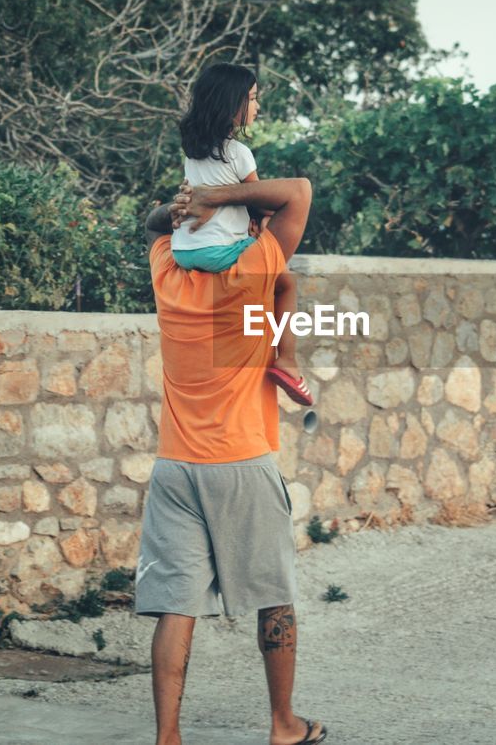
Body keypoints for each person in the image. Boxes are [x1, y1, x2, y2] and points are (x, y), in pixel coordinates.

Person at [138, 175, 326, 745]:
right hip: (243, 461)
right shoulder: (258, 267)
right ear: (246, 229)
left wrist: (188, 206)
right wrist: (229, 201)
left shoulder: (166, 268)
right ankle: (283, 723)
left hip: (175, 467)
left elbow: (156, 224)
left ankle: (167, 736)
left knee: (177, 606)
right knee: (274, 594)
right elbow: (298, 191)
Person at [173, 62, 312, 405]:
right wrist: (261, 221)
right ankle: (288, 361)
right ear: (232, 103)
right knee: (286, 283)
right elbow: (263, 203)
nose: (257, 106)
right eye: (252, 98)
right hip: (219, 252)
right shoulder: (238, 153)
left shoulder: (192, 150)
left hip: (185, 249)